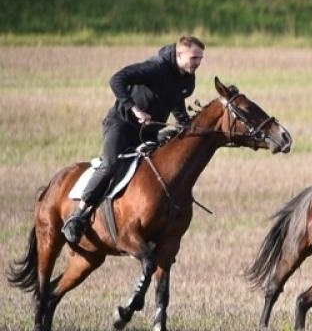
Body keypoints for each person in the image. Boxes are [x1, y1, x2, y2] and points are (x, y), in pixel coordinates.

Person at [62, 36, 205, 245]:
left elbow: (176, 101)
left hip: (147, 132)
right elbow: (116, 79)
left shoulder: (187, 79)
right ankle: (78, 214)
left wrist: (186, 124)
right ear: (179, 54)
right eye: (194, 58)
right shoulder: (154, 67)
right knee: (111, 165)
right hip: (121, 125)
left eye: (200, 59)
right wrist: (134, 109)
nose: (198, 63)